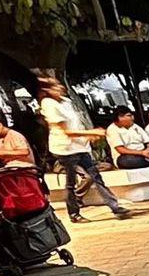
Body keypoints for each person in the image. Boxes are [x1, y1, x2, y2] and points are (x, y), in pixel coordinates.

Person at [36, 72, 131, 223]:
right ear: (48, 90)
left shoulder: (66, 101)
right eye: (55, 86)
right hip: (65, 149)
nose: (60, 87)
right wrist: (91, 132)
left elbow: (76, 125)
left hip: (80, 147)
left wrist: (88, 136)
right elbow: (66, 131)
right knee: (71, 183)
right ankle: (74, 213)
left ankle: (115, 207)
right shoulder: (49, 104)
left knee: (96, 177)